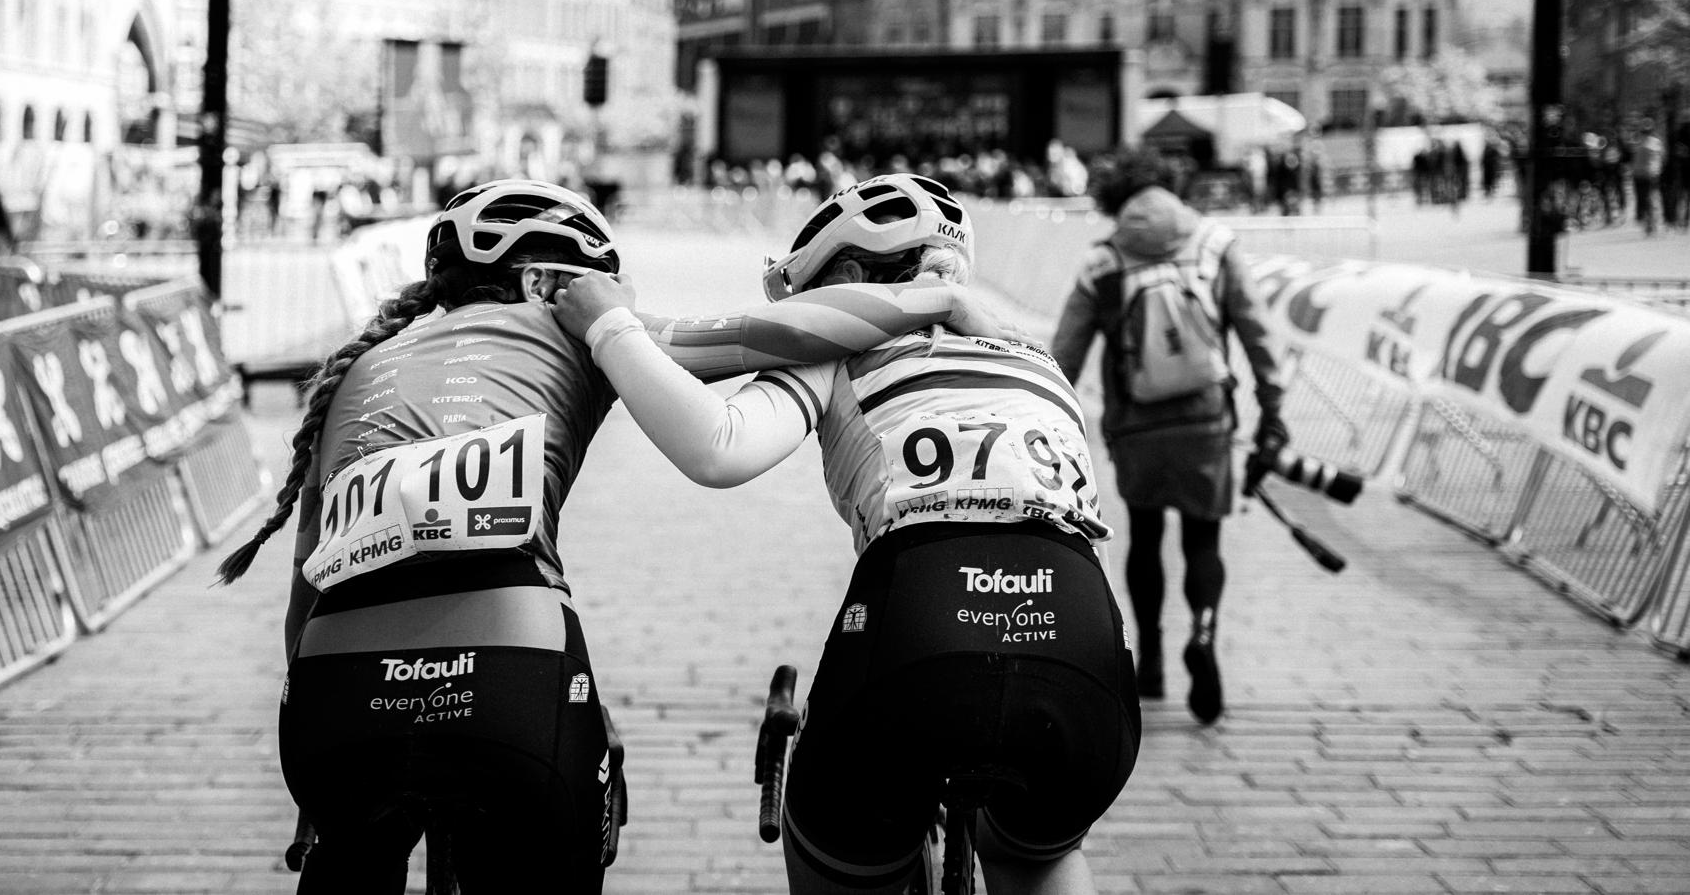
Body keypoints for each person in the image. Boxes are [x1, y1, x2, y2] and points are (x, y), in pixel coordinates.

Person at [214, 179, 1022, 894]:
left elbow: (304, 591)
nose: (613, 295)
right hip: (504, 672)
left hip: (332, 694)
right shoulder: (572, 322)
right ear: (542, 280)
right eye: (604, 280)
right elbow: (772, 333)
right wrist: (943, 300)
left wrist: (318, 756)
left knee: (351, 848)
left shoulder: (355, 370)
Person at [553, 174, 1140, 895]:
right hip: (1079, 628)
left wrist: (610, 328)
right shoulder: (1030, 354)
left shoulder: (833, 348)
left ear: (854, 277)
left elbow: (718, 445)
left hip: (920, 624)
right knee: (1037, 856)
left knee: (837, 857)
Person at [1050, 149, 1286, 726]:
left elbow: (1065, 356)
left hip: (1137, 422)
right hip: (1207, 418)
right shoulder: (1215, 245)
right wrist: (1273, 409)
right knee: (1204, 542)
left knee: (1147, 537)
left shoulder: (1102, 262)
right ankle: (1203, 633)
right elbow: (1258, 334)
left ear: (1113, 197)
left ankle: (1149, 660)